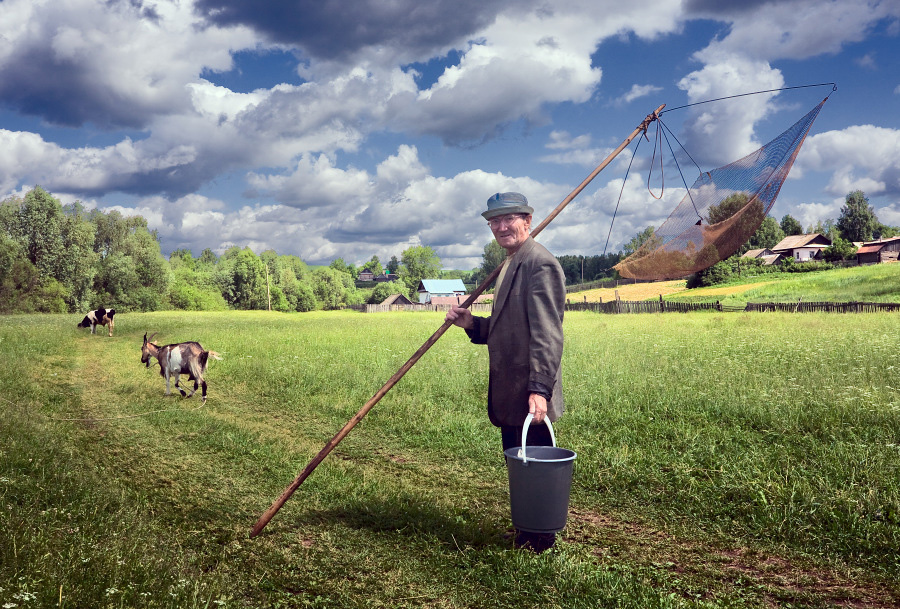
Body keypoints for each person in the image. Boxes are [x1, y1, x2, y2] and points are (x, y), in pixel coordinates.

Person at [446, 192, 566, 553]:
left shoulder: (538, 264)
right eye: (493, 222)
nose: (500, 227)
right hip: (513, 390)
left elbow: (547, 334)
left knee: (535, 463)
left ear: (527, 221)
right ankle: (528, 530)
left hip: (529, 391)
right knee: (520, 462)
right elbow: (508, 328)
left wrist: (540, 389)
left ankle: (541, 538)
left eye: (508, 219)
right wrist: (472, 324)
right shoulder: (512, 262)